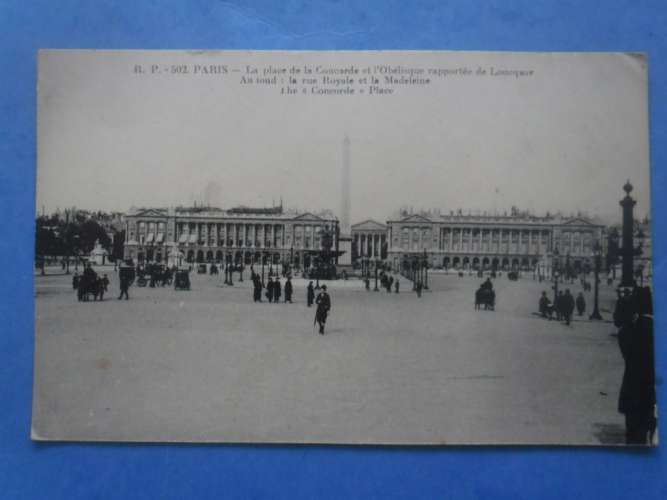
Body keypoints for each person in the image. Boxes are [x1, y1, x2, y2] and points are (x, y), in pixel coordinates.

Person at [617, 286, 655, 445]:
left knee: (633, 437)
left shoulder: (629, 330)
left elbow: (622, 338)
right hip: (652, 391)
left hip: (632, 390)